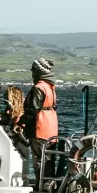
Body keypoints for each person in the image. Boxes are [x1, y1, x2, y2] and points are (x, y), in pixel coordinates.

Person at [18, 58, 58, 186]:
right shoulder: (50, 87)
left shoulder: (38, 88)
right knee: (49, 158)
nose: (31, 72)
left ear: (38, 71)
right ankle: (50, 184)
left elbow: (32, 110)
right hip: (51, 127)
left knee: (39, 158)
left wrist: (20, 122)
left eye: (33, 69)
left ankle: (42, 186)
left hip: (40, 127)